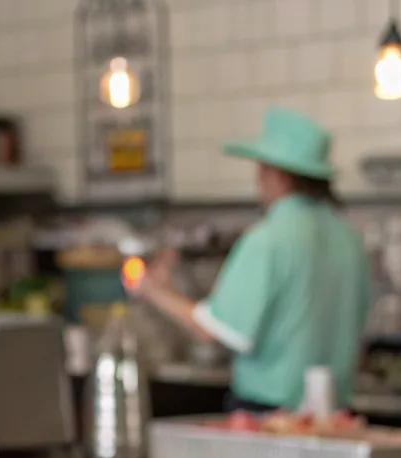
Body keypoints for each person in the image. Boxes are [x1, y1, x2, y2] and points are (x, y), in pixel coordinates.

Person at [134, 107, 369, 413]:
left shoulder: (267, 238)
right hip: (336, 414)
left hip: (270, 416)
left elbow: (217, 331)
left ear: (278, 175)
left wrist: (153, 291)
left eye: (262, 170)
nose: (258, 180)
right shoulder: (349, 240)